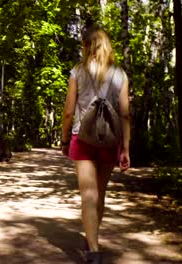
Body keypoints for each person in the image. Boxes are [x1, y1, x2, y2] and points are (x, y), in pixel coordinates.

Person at [61, 26, 131, 264]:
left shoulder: (77, 71)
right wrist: (126, 147)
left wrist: (63, 138)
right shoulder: (120, 74)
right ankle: (93, 240)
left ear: (86, 46)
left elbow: (69, 111)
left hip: (82, 138)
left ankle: (93, 250)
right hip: (110, 140)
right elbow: (125, 114)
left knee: (88, 195)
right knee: (99, 194)